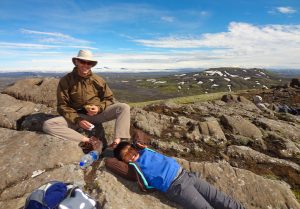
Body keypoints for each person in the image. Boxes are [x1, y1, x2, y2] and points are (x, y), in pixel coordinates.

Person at [113, 141, 245, 209]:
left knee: (223, 200)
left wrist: (136, 144)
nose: (131, 154)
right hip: (177, 187)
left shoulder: (144, 150)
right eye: (126, 155)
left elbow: (139, 135)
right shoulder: (134, 167)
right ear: (123, 160)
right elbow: (110, 162)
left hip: (187, 175)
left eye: (131, 150)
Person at [43, 49, 131, 150]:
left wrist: (99, 108)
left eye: (89, 63)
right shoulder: (66, 80)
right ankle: (88, 141)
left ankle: (118, 142)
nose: (86, 65)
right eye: (82, 62)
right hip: (78, 116)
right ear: (76, 62)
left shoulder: (98, 80)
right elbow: (62, 105)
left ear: (92, 65)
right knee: (48, 125)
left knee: (123, 107)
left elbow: (109, 98)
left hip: (99, 115)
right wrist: (78, 119)